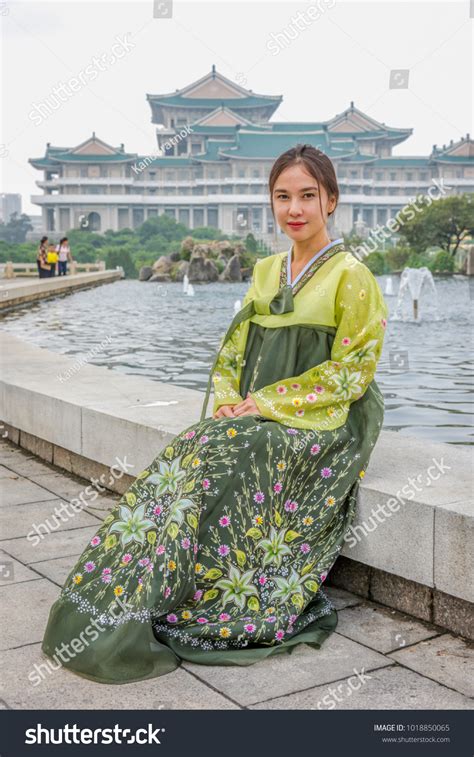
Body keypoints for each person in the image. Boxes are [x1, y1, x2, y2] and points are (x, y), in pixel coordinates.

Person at [41, 144, 388, 684]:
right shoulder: (267, 270)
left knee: (239, 447)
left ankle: (223, 598)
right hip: (259, 409)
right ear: (271, 202)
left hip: (326, 419)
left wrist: (267, 403)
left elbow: (352, 372)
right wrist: (232, 400)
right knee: (197, 444)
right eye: (282, 197)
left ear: (331, 201)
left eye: (307, 196)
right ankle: (145, 590)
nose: (294, 209)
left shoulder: (352, 275)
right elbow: (233, 351)